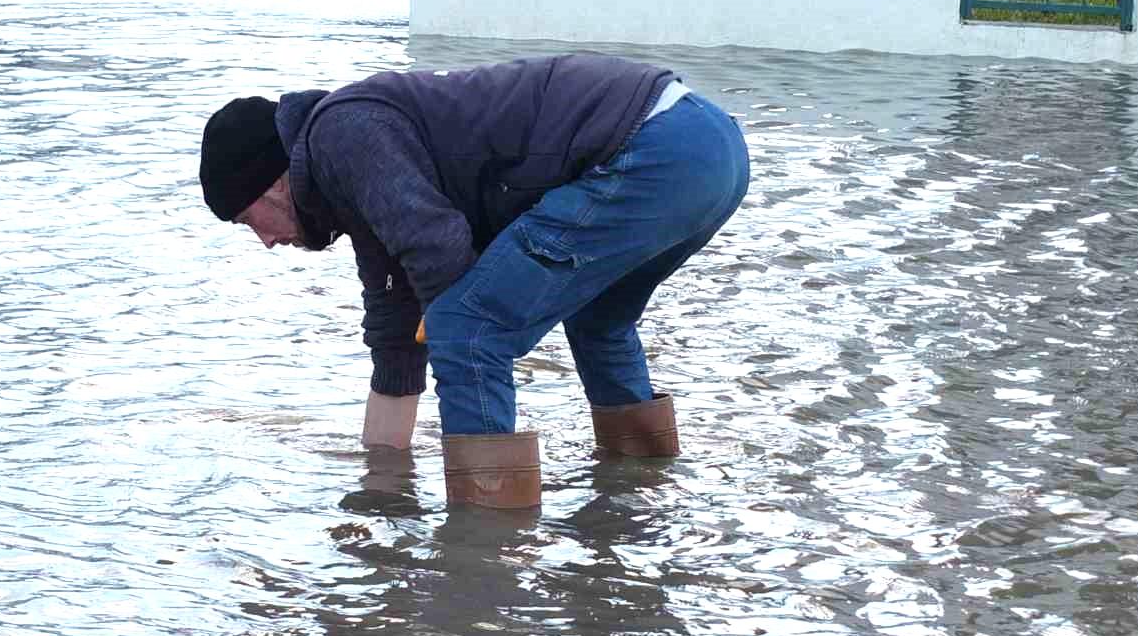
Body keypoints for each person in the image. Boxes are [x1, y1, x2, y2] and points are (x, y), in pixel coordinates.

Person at [196, 53, 749, 510]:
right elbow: (395, 320)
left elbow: (440, 256)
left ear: (272, 185)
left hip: (656, 150)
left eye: (249, 222)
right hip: (710, 146)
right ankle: (642, 488)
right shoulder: (347, 159)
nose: (266, 241)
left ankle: (482, 551)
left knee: (466, 323)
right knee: (598, 320)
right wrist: (383, 479)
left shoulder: (343, 135)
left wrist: (464, 340)